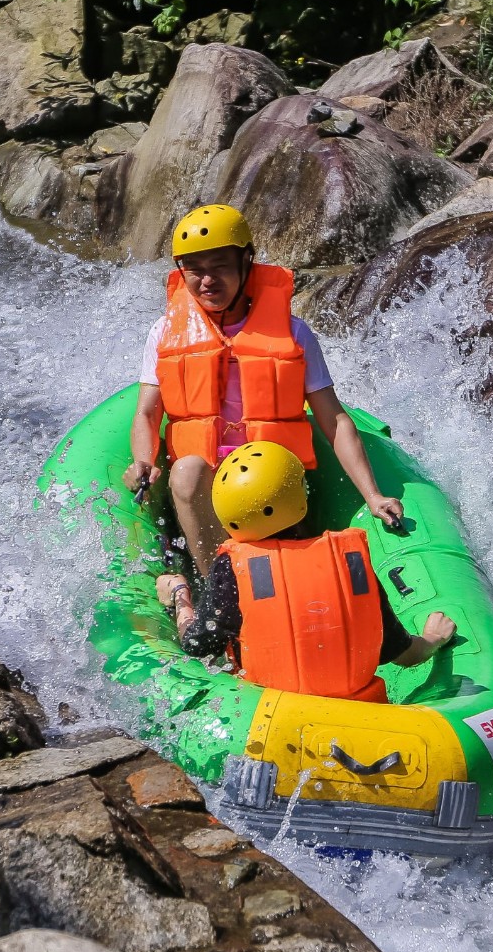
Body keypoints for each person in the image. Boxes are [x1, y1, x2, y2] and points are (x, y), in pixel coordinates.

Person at [121, 203, 404, 577]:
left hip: (273, 476)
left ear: (246, 262)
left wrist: (373, 495)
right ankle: (219, 594)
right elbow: (146, 413)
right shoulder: (163, 332)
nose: (207, 281)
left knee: (266, 492)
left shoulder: (294, 332)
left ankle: (286, 569)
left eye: (220, 266)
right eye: (195, 270)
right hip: (205, 478)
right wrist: (143, 460)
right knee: (187, 470)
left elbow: (333, 419)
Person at [155, 441, 455, 699]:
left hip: (270, 716)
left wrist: (181, 595)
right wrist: (432, 640)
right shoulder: (349, 561)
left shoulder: (231, 569)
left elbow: (196, 644)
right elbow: (403, 654)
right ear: (302, 497)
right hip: (359, 717)